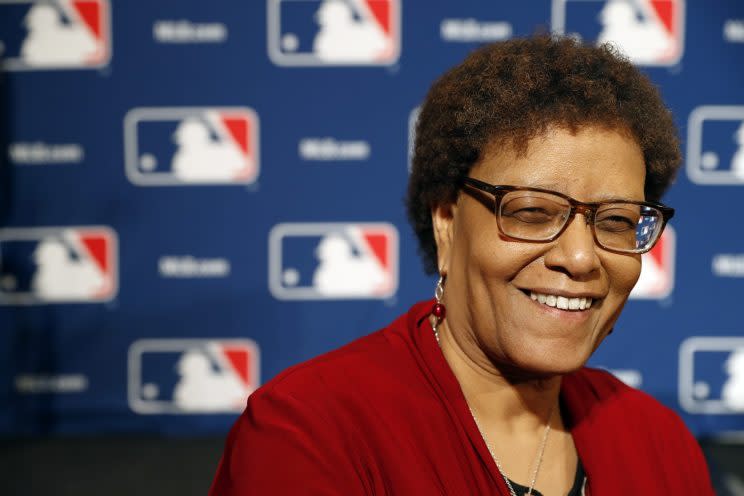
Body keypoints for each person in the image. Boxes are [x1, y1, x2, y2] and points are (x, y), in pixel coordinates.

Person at [209, 35, 714, 495]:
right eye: (533, 212)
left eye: (617, 221)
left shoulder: (657, 442)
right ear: (447, 224)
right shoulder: (309, 430)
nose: (580, 257)